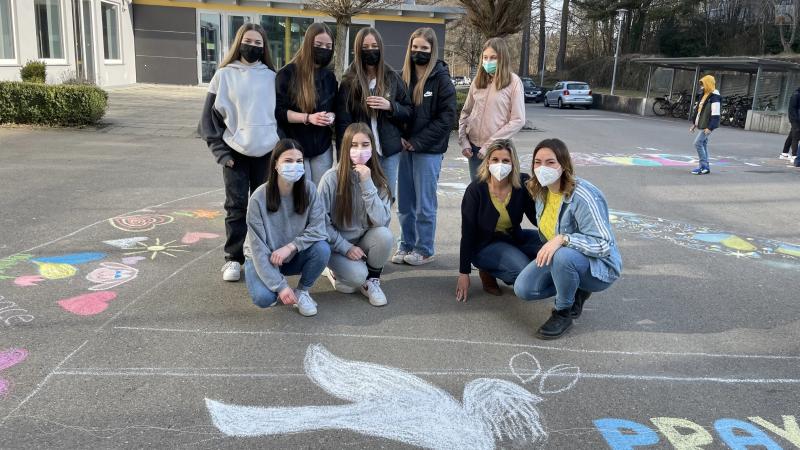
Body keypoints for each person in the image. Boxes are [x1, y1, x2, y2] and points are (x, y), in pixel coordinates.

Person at [514, 138, 622, 340]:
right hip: (563, 257)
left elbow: (604, 244)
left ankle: (563, 311)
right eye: (537, 162)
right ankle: (574, 288)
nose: (542, 167)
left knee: (563, 257)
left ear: (563, 165)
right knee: (524, 289)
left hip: (598, 265)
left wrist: (563, 239)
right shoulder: (540, 191)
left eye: (550, 162)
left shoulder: (583, 195)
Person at [199, 23, 280, 282]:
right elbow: (208, 121)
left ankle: (261, 253)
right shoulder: (223, 75)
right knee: (236, 207)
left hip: (267, 152)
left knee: (264, 208)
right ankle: (233, 258)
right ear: (239, 42)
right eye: (248, 41)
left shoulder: (272, 76)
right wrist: (221, 153)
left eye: (258, 43)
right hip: (235, 153)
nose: (253, 47)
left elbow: (281, 116)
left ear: (264, 47)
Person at [243, 139, 330, 317]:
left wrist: (291, 247)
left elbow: (319, 229)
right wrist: (281, 287)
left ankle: (302, 291)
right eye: (288, 161)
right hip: (263, 257)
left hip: (290, 254)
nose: (295, 166)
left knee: (322, 248)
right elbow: (258, 248)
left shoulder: (309, 190)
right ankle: (275, 284)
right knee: (263, 299)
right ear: (275, 164)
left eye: (299, 161)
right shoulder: (258, 198)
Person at [393, 27, 457, 266]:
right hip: (403, 150)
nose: (418, 52)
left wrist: (417, 142)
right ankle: (406, 244)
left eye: (424, 48)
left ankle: (424, 248)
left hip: (427, 151)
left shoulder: (441, 80)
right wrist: (398, 138)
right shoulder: (402, 77)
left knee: (424, 204)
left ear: (432, 51)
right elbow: (395, 111)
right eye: (415, 47)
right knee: (405, 202)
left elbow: (447, 118)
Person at [318, 123, 393, 306]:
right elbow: (319, 222)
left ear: (372, 147)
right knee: (354, 280)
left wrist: (367, 183)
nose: (360, 150)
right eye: (354, 144)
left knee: (384, 235)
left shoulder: (379, 180)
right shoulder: (331, 178)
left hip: (362, 241)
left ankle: (372, 279)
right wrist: (345, 247)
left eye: (365, 145)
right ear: (345, 147)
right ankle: (335, 271)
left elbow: (382, 221)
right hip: (336, 245)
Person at [456, 139, 538, 303]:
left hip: (514, 237)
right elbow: (468, 232)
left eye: (505, 160)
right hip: (484, 245)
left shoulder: (522, 183)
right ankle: (488, 270)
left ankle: (530, 268)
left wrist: (558, 236)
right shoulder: (476, 190)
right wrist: (463, 273)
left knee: (553, 248)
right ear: (487, 162)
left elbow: (536, 218)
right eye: (495, 160)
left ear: (513, 163)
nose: (500, 164)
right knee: (522, 270)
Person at [336, 27, 414, 199]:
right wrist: (343, 155)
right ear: (358, 50)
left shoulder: (392, 77)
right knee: (359, 198)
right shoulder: (349, 81)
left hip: (388, 152)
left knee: (386, 198)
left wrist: (390, 106)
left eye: (374, 46)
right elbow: (343, 122)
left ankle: (381, 227)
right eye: (365, 47)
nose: (370, 51)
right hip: (360, 152)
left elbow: (408, 111)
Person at [276, 23, 338, 185]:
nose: (323, 49)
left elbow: (334, 108)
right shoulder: (287, 74)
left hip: (322, 148)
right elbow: (279, 112)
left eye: (328, 46)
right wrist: (308, 118)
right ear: (308, 44)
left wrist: (331, 116)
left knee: (320, 197)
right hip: (294, 147)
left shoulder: (330, 78)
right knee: (300, 197)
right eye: (318, 45)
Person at [458, 37, 525, 182]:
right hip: (474, 150)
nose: (488, 61)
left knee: (498, 194)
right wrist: (464, 141)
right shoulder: (477, 81)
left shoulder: (513, 82)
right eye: (485, 57)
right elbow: (466, 112)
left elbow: (518, 120)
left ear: (502, 58)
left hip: (499, 150)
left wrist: (490, 145)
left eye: (493, 57)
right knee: (477, 194)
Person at [688, 75, 721, 175]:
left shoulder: (715, 97)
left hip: (707, 125)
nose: (701, 86)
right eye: (701, 84)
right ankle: (706, 167)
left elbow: (716, 114)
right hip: (702, 124)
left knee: (697, 143)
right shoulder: (704, 95)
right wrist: (695, 124)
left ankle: (703, 166)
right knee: (703, 143)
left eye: (703, 84)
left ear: (709, 84)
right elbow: (699, 111)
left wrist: (710, 127)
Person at [781, 86, 800, 166]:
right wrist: (796, 119)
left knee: (791, 135)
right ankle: (794, 155)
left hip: (796, 118)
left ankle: (784, 153)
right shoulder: (796, 95)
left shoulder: (797, 94)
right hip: (795, 119)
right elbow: (793, 109)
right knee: (796, 136)